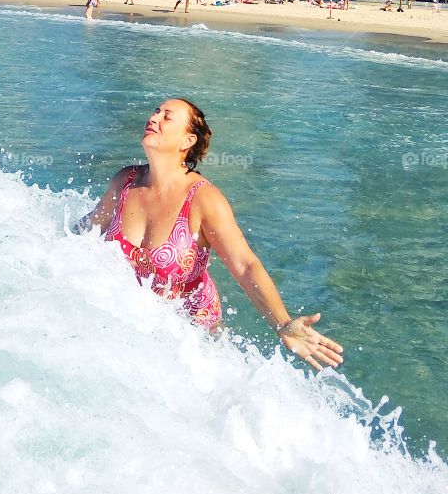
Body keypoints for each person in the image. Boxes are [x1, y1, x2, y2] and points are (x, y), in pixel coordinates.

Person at [77, 98, 343, 370]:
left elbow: (244, 265)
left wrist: (283, 324)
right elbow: (86, 231)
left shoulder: (203, 199)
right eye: (156, 111)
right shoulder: (126, 181)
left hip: (188, 335)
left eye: (167, 117)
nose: (154, 118)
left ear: (187, 141)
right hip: (131, 317)